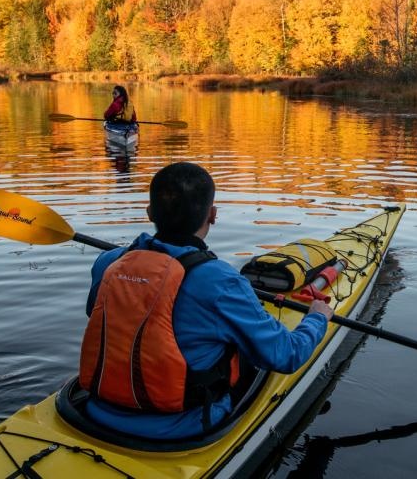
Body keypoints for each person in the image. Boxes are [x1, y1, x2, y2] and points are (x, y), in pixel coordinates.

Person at [79, 161, 333, 440]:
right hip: (183, 426)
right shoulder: (221, 282)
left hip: (95, 410)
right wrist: (317, 317)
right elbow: (288, 355)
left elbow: (100, 313)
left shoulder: (108, 263)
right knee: (248, 352)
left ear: (150, 212)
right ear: (212, 215)